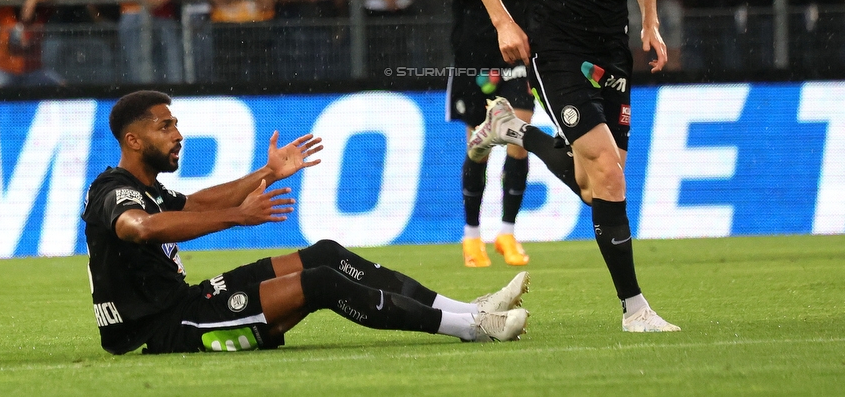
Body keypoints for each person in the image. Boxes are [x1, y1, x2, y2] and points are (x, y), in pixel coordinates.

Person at [460, 0, 679, 333]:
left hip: (614, 52)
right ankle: (635, 310)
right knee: (608, 173)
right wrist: (504, 22)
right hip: (558, 53)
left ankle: (511, 130)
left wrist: (650, 23)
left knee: (598, 185)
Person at [83, 90, 530, 354]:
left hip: (184, 303)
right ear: (134, 139)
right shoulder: (112, 191)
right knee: (318, 282)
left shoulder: (151, 189)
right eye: (166, 126)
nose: (178, 134)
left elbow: (196, 205)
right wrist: (239, 217)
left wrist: (266, 173)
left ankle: (471, 309)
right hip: (161, 331)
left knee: (326, 255)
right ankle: (471, 329)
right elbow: (138, 228)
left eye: (176, 124)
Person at [422, 0, 534, 268]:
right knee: (481, 144)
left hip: (517, 51)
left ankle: (508, 232)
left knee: (519, 138)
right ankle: (472, 236)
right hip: (475, 53)